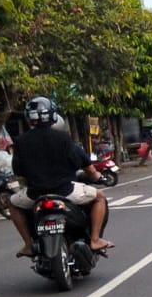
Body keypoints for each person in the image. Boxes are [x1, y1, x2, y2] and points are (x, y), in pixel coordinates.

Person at [7, 97, 112, 258]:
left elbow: (18, 171)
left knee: (12, 203)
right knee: (99, 197)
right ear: (53, 116)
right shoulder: (63, 138)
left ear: (29, 118)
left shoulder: (21, 141)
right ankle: (95, 239)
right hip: (66, 191)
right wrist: (95, 175)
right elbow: (80, 162)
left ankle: (28, 244)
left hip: (34, 195)